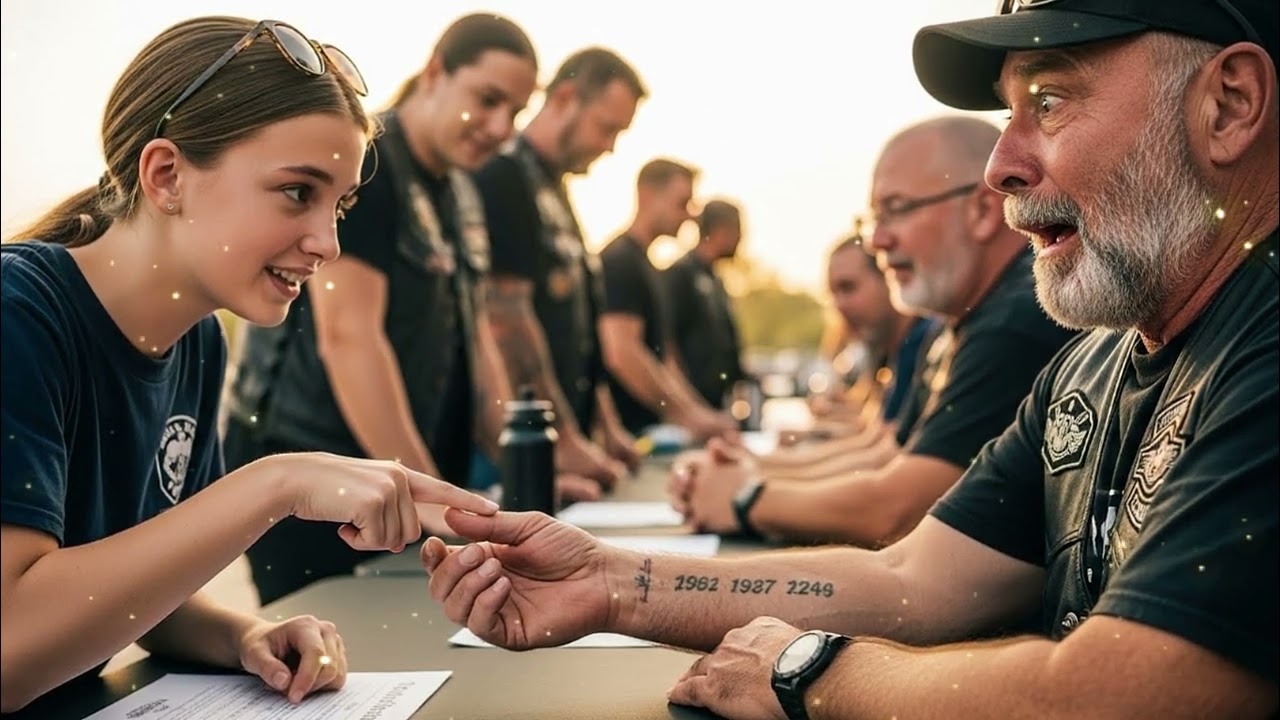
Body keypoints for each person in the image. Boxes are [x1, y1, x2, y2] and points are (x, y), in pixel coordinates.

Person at [422, 1, 1279, 717]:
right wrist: (608, 582)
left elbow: (1139, 693)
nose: (1001, 167)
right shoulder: (1089, 365)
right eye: (1006, 113)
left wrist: (812, 671)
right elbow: (915, 576)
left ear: (1230, 105)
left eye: (1049, 103)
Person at [0, 16, 499, 713]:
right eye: (299, 192)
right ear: (167, 175)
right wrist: (277, 483)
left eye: (341, 204)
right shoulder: (19, 314)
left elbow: (145, 596)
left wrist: (242, 635)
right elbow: (11, 644)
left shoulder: (199, 342)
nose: (327, 242)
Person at [220, 14, 541, 605]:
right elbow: (349, 338)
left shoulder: (462, 188)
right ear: (436, 71)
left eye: (516, 112)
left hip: (399, 480)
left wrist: (518, 465)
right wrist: (437, 500)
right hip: (313, 479)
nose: (501, 128)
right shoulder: (366, 163)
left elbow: (478, 339)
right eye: (488, 99)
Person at [670, 116, 1076, 547]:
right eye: (872, 220)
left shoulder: (1015, 320)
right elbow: (888, 453)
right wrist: (751, 470)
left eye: (897, 210)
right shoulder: (966, 320)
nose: (877, 240)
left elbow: (899, 512)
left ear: (981, 209)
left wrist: (746, 496)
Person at [473, 46, 648, 478]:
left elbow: (579, 328)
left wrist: (605, 428)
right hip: (516, 448)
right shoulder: (504, 174)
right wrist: (565, 443)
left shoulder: (554, 189)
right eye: (606, 128)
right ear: (566, 97)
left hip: (556, 443)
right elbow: (506, 323)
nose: (609, 147)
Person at [598, 158, 739, 442]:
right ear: (648, 196)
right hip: (631, 436)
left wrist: (698, 413)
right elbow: (622, 353)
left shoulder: (647, 266)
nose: (689, 215)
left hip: (652, 432)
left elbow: (664, 359)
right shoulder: (620, 261)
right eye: (682, 202)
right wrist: (686, 415)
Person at [662, 199, 748, 411]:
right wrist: (689, 409)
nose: (741, 238)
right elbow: (667, 348)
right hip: (692, 412)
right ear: (721, 229)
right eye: (738, 230)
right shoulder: (680, 274)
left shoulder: (715, 280)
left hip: (717, 408)